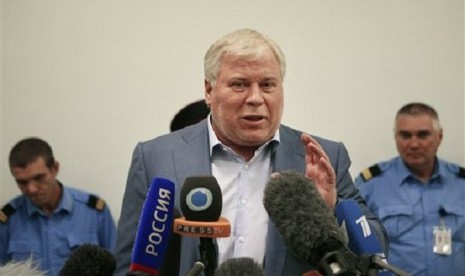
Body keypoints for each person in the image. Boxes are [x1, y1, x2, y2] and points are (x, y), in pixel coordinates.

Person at [114, 28, 387, 275]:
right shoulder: (155, 157)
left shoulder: (321, 156)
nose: (256, 98)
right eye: (239, 84)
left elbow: (375, 253)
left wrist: (330, 209)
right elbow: (129, 263)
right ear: (209, 90)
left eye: (268, 85)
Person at [355, 102, 465, 275]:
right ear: (396, 138)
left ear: (440, 137)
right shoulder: (371, 186)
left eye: (423, 135)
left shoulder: (461, 184)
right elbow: (356, 248)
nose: (414, 144)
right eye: (405, 135)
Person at [0, 137, 117, 276]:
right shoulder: (8, 220)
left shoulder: (94, 212)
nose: (31, 189)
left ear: (54, 168)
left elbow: (117, 266)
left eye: (39, 178)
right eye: (22, 182)